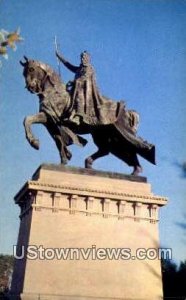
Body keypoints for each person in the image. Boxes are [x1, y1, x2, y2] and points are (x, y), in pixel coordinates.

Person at [55, 50, 118, 125]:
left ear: (88, 58)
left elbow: (84, 77)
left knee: (79, 96)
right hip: (77, 87)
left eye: (84, 57)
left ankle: (78, 116)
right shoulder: (79, 68)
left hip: (87, 90)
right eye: (81, 57)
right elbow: (69, 65)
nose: (82, 59)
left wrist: (73, 81)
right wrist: (60, 57)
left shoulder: (89, 68)